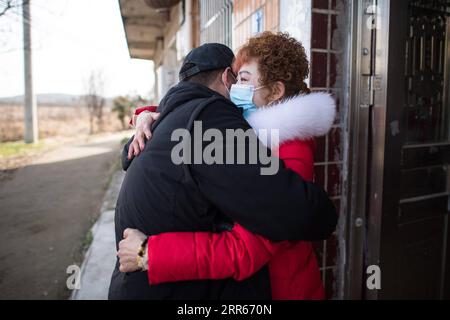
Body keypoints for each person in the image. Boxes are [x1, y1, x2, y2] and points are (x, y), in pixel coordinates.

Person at [108, 40, 337, 300]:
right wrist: (148, 115)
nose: (236, 88)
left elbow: (245, 251)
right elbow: (198, 122)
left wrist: (150, 253)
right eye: (236, 79)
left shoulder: (288, 147)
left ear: (274, 91)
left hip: (283, 291)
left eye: (244, 79)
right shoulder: (242, 130)